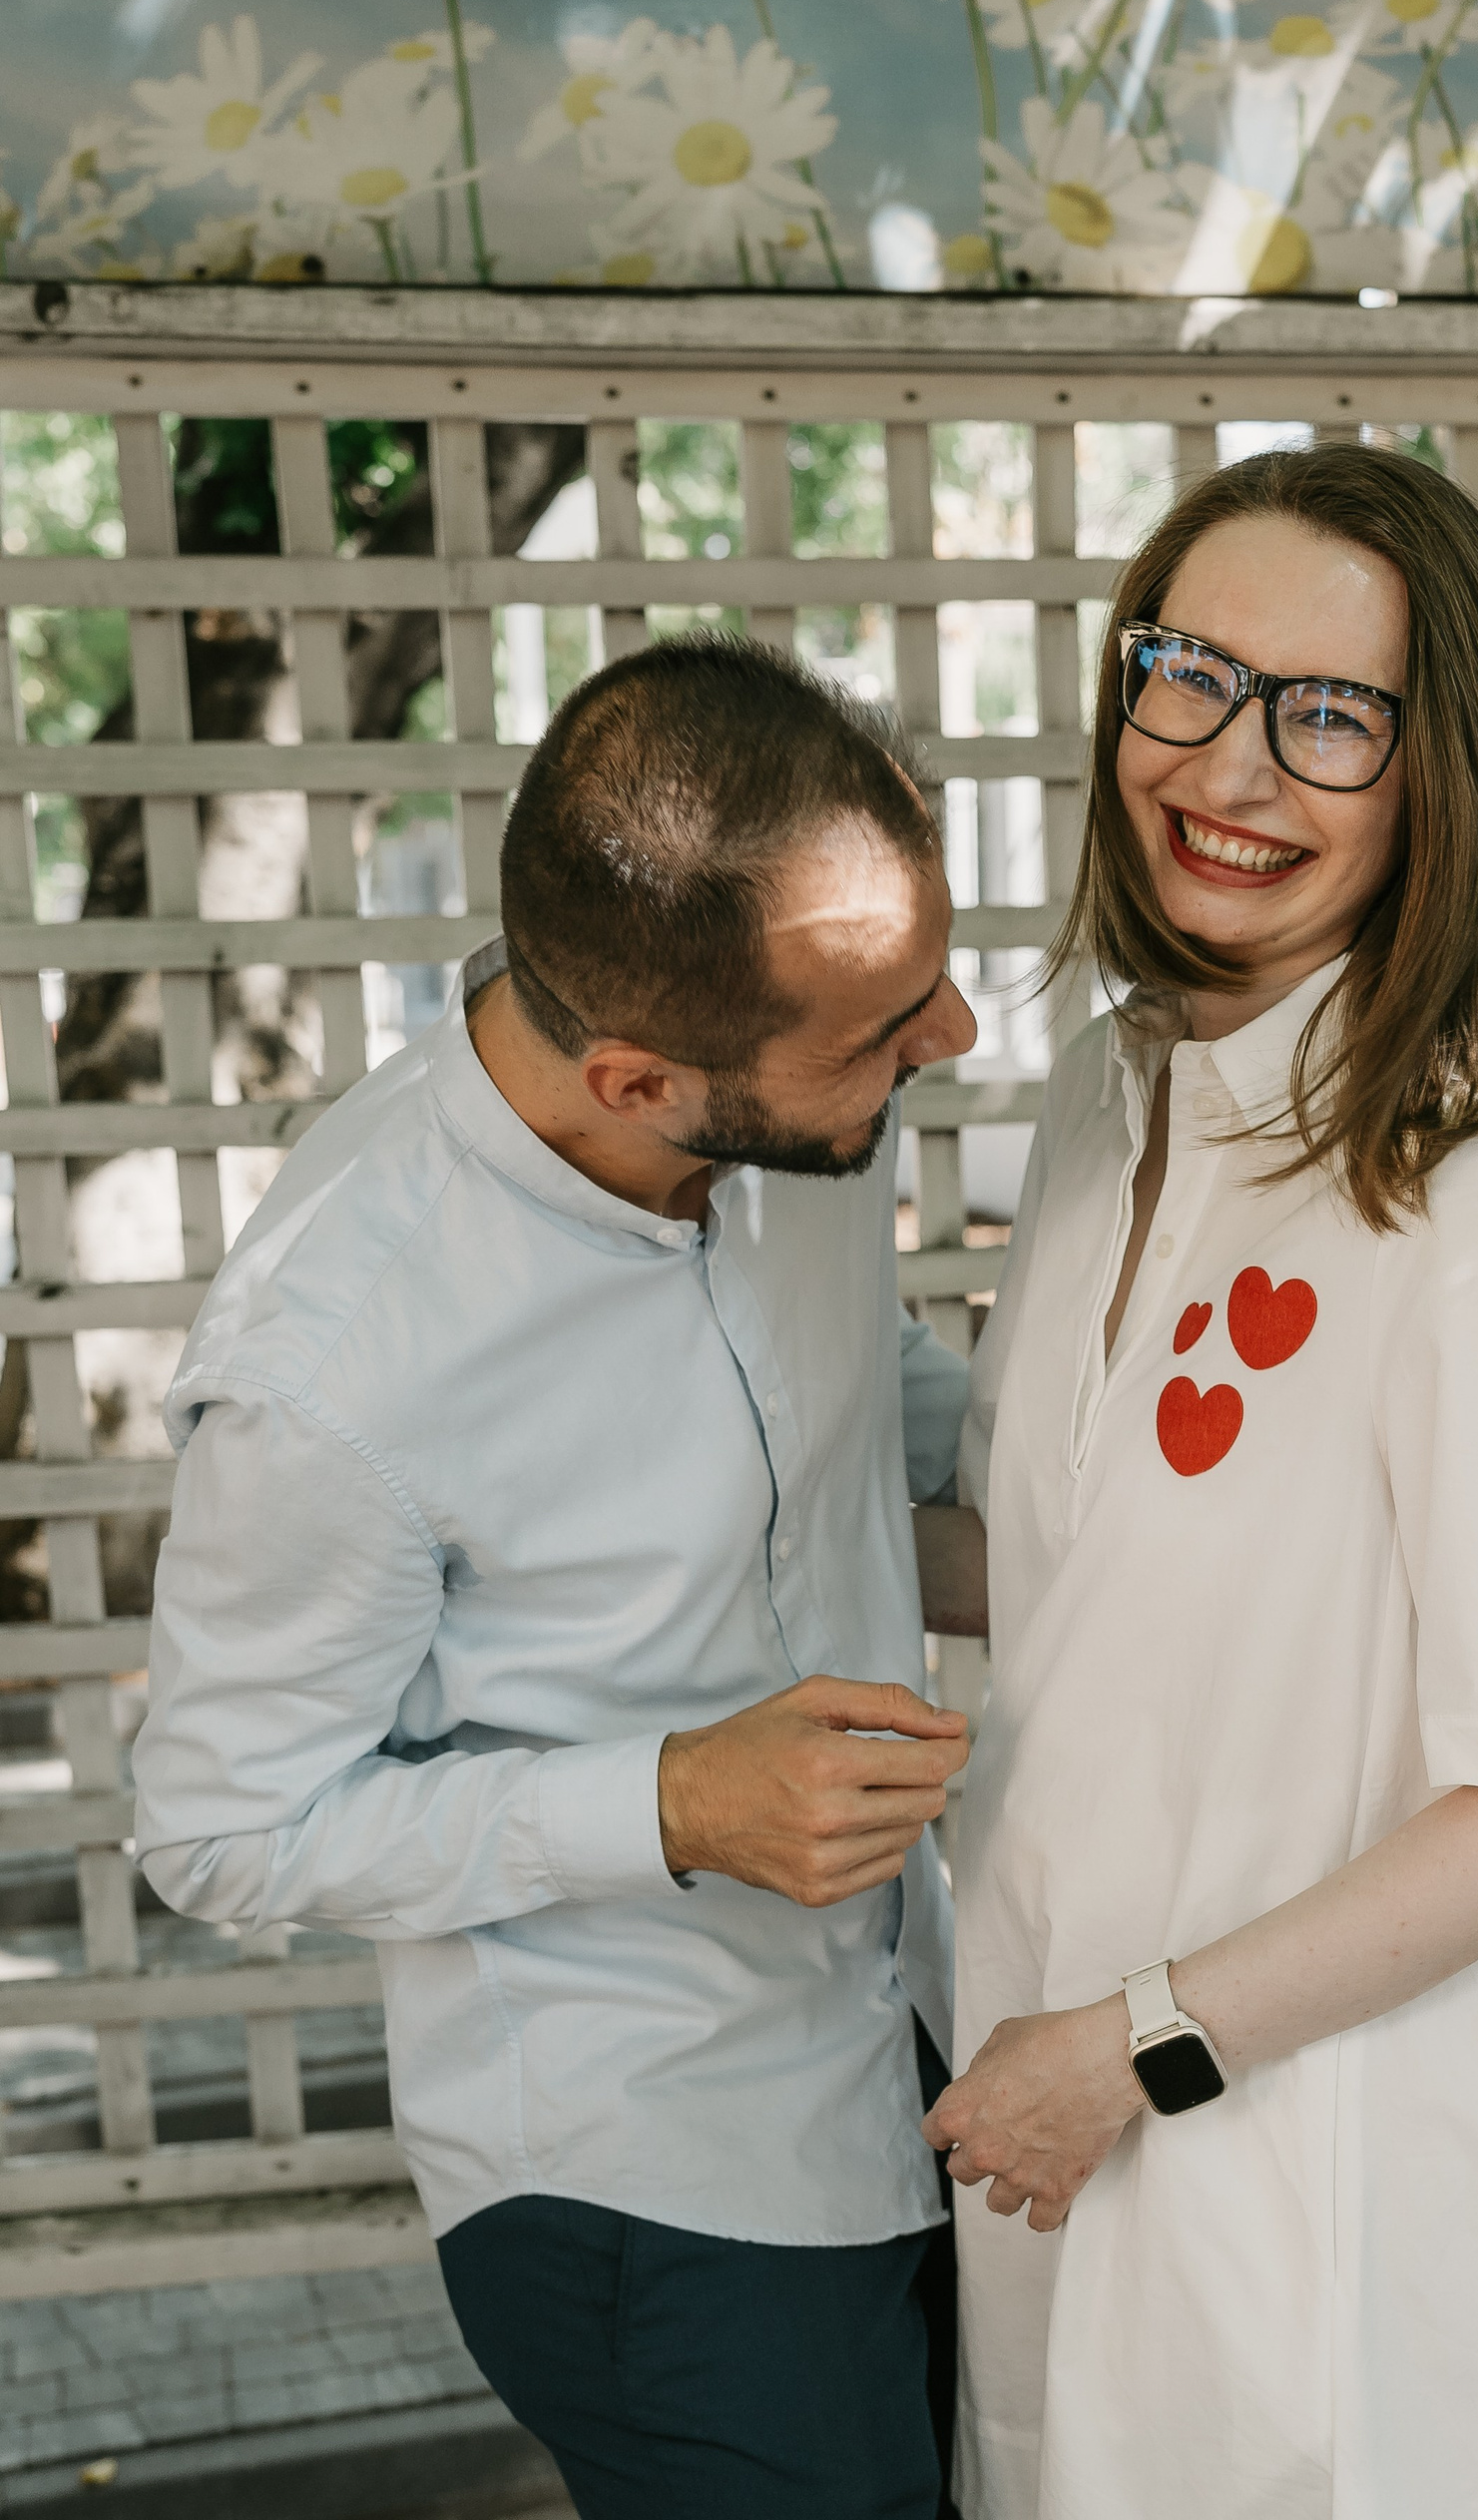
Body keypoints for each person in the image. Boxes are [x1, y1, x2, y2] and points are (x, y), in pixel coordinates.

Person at [926, 444, 1478, 2520]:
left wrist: (1135, 2044)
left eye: (1330, 716)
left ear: (1441, 773)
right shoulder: (1107, 1099)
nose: (1231, 765)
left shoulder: (1476, 1204)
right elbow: (1066, 1562)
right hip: (1069, 2119)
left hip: (1350, 2171)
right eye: (1190, 674)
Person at [134, 636, 991, 2520]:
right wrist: (669, 1804)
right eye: (885, 1029)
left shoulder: (786, 1089)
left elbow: (863, 1394)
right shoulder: (336, 1369)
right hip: (651, 2190)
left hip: (919, 2048)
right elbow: (221, 1830)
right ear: (638, 1077)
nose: (949, 1037)